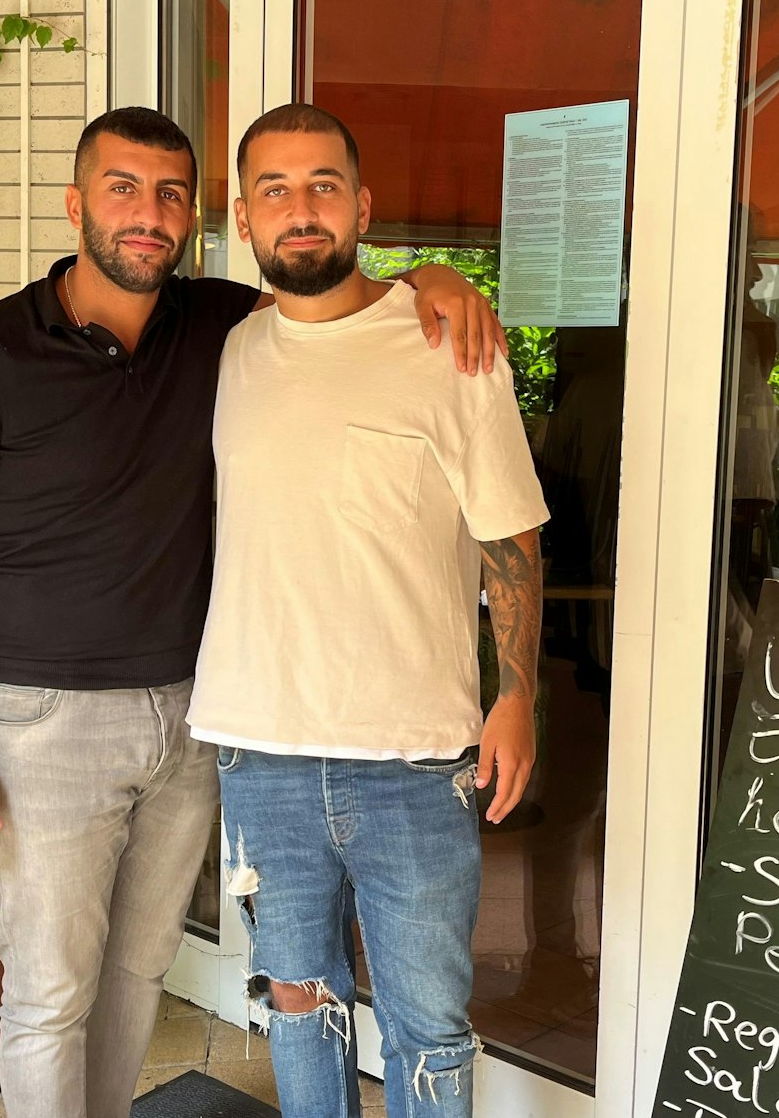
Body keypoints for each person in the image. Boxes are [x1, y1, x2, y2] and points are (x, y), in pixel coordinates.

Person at [0, 106, 504, 1118]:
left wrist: (431, 280)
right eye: (122, 189)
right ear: (75, 203)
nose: (148, 214)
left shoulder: (218, 324)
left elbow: (329, 285)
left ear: (196, 216)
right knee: (48, 996)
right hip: (45, 720)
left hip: (192, 717)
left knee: (136, 974)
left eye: (170, 194)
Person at [188, 103, 549, 1117]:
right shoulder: (227, 349)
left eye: (323, 185)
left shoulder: (447, 345)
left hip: (413, 757)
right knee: (297, 1002)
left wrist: (517, 694)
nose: (300, 208)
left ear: (362, 206)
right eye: (274, 189)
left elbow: (510, 537)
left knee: (427, 1023)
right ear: (244, 218)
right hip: (259, 749)